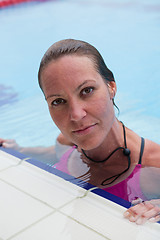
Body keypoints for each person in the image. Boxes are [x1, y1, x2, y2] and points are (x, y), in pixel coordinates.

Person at [1, 39, 160, 225]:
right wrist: (20, 149)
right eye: (58, 101)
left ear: (111, 87)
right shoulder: (68, 142)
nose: (76, 115)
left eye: (87, 90)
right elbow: (55, 153)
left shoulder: (153, 166)